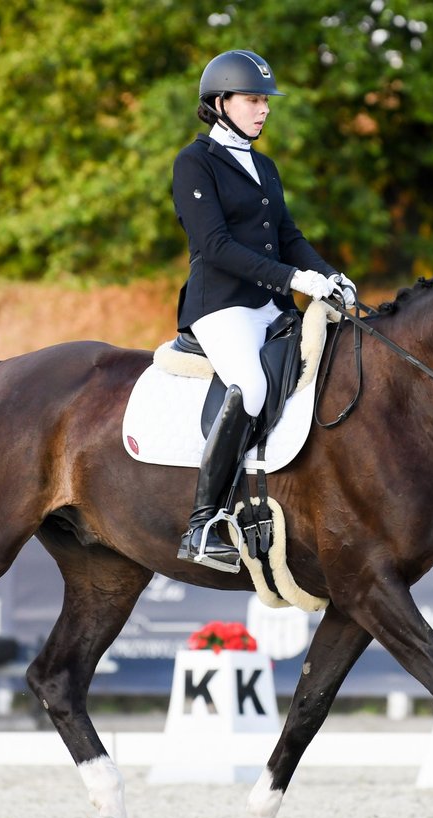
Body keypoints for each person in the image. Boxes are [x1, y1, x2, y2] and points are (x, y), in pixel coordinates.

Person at [172, 49, 356, 573]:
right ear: (220, 102)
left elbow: (289, 237)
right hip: (221, 307)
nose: (263, 110)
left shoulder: (265, 166)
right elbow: (215, 245)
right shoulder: (194, 162)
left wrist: (328, 275)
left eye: (264, 101)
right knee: (250, 387)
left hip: (271, 305)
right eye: (253, 100)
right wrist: (295, 280)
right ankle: (202, 524)